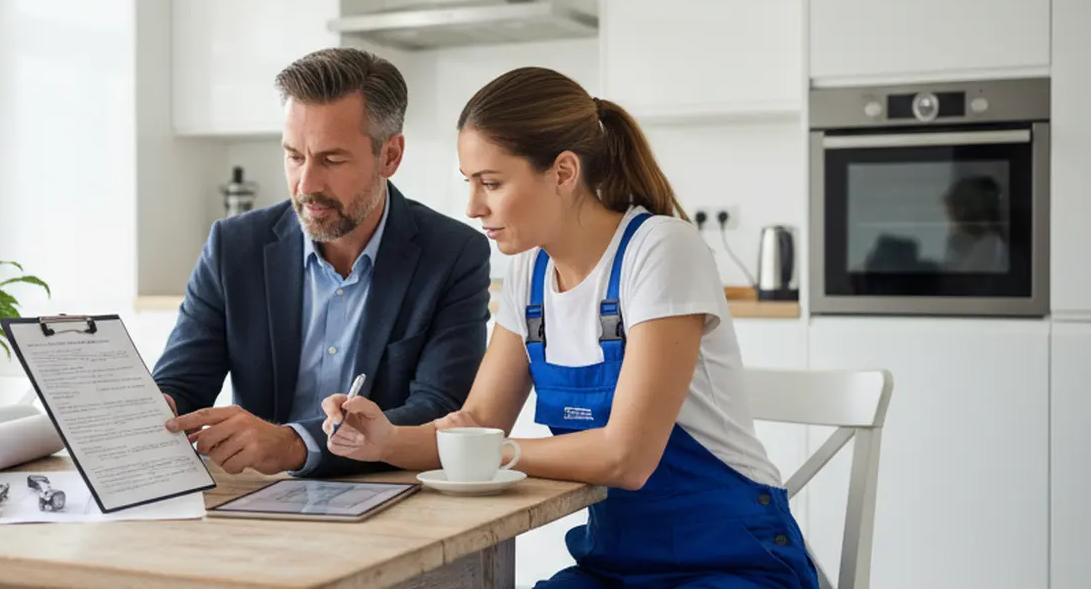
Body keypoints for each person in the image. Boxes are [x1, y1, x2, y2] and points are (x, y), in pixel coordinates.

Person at [320, 67, 821, 589]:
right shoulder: (527, 273)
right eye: (469, 182)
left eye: (491, 183)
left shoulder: (660, 249)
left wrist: (496, 451)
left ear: (563, 172)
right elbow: (479, 423)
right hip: (616, 566)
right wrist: (386, 440)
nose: (473, 207)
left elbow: (627, 458)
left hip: (732, 560)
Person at [152, 47, 492, 479]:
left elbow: (439, 411)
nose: (306, 184)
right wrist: (150, 407)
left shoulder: (453, 254)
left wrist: (294, 444)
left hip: (391, 492)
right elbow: (181, 385)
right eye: (294, 156)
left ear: (390, 155)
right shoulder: (233, 246)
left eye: (332, 160)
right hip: (260, 498)